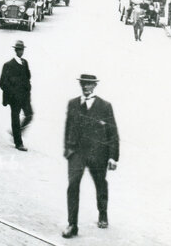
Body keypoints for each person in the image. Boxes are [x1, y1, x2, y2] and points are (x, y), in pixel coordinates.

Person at [62, 74, 120, 238]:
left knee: (100, 184)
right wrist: (68, 149)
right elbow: (68, 127)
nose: (86, 87)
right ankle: (72, 224)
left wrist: (113, 157)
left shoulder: (105, 106)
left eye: (89, 84)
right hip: (77, 153)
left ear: (94, 86)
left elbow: (112, 133)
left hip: (98, 154)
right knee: (73, 185)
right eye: (83, 84)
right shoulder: (73, 103)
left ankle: (103, 213)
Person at [0, 40, 33, 151]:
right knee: (15, 118)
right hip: (14, 98)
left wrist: (28, 88)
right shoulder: (8, 65)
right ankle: (19, 143)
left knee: (29, 115)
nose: (20, 52)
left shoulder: (25, 62)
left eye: (22, 49)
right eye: (18, 49)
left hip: (25, 96)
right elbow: (2, 83)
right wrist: (12, 93)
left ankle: (16, 132)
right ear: (15, 50)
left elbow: (28, 76)